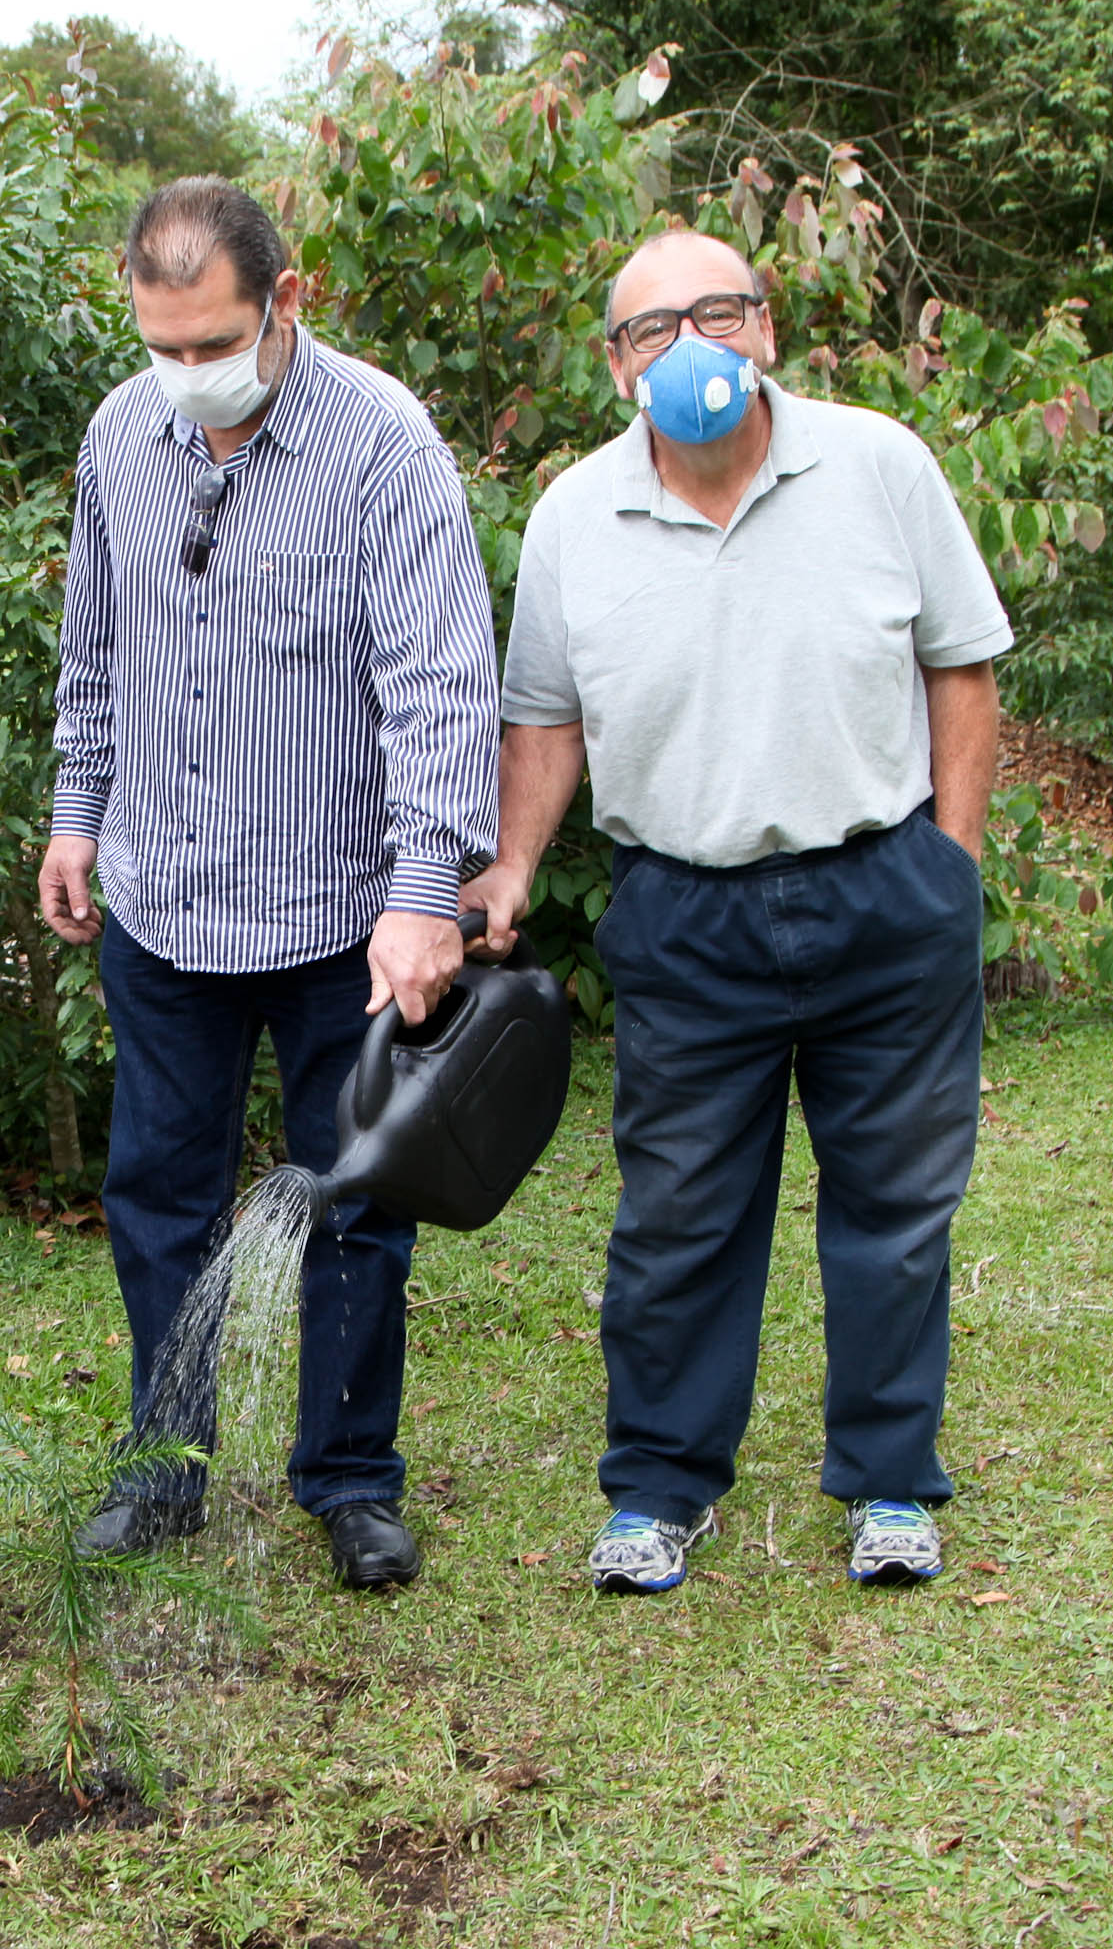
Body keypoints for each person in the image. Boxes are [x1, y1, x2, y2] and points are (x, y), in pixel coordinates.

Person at [467, 230, 1007, 1595]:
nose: (691, 345)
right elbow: (544, 718)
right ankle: (657, 1489)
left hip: (882, 891)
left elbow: (962, 667)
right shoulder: (576, 516)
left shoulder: (879, 466)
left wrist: (949, 863)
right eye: (655, 328)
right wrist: (514, 866)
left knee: (893, 1208)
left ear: (767, 329)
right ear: (615, 363)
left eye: (718, 313)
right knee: (679, 1217)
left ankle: (891, 1483)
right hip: (684, 913)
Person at [38, 177, 500, 1592]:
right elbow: (94, 645)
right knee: (157, 1192)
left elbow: (441, 683)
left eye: (213, 343)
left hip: (339, 923)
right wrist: (76, 813)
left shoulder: (382, 446)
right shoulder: (124, 434)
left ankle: (351, 1478)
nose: (185, 376)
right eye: (159, 345)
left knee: (356, 1200)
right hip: (163, 904)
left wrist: (428, 893)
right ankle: (166, 1469)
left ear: (287, 300)